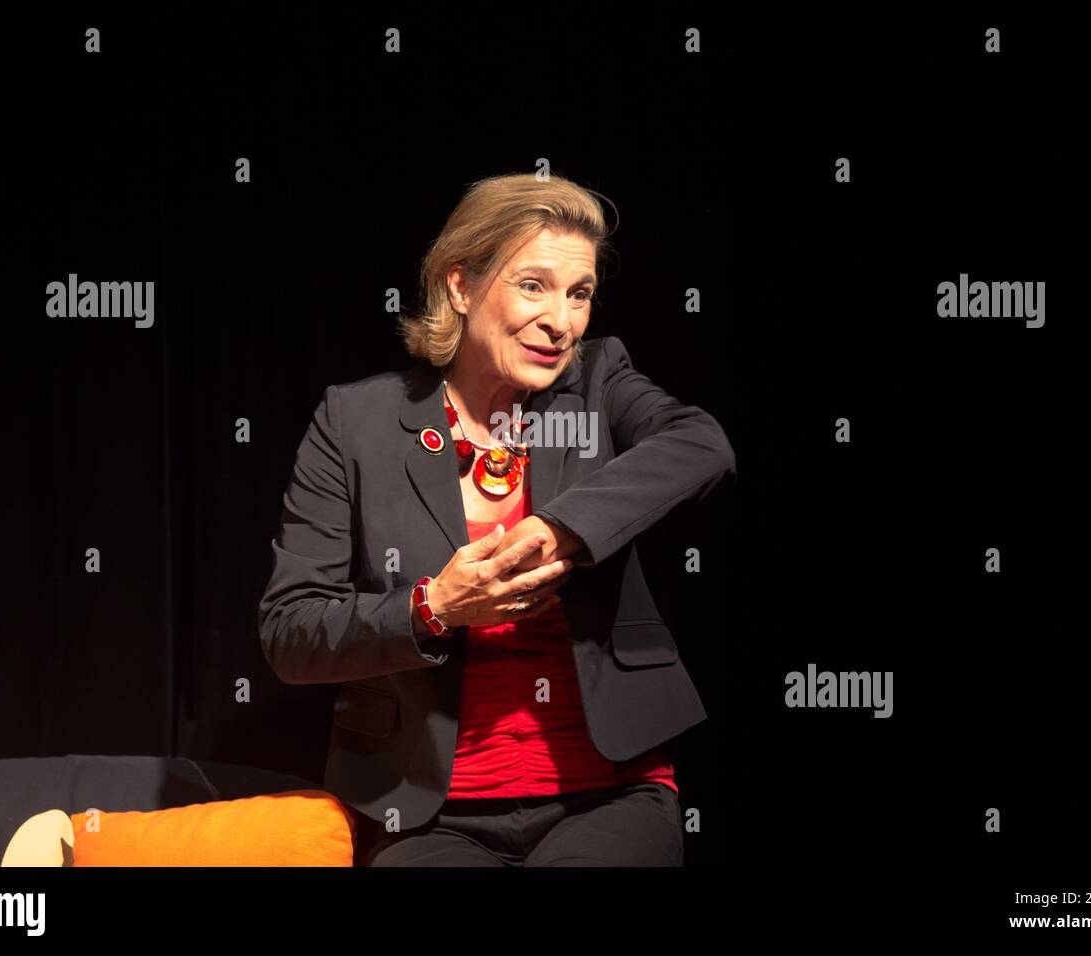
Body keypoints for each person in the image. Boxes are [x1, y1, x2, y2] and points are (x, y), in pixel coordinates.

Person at [257, 172, 736, 865]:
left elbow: (702, 445)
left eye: (580, 294)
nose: (562, 321)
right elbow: (290, 630)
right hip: (430, 812)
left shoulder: (598, 382)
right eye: (534, 285)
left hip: (608, 793)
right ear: (460, 285)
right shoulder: (354, 421)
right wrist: (433, 607)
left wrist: (561, 528)